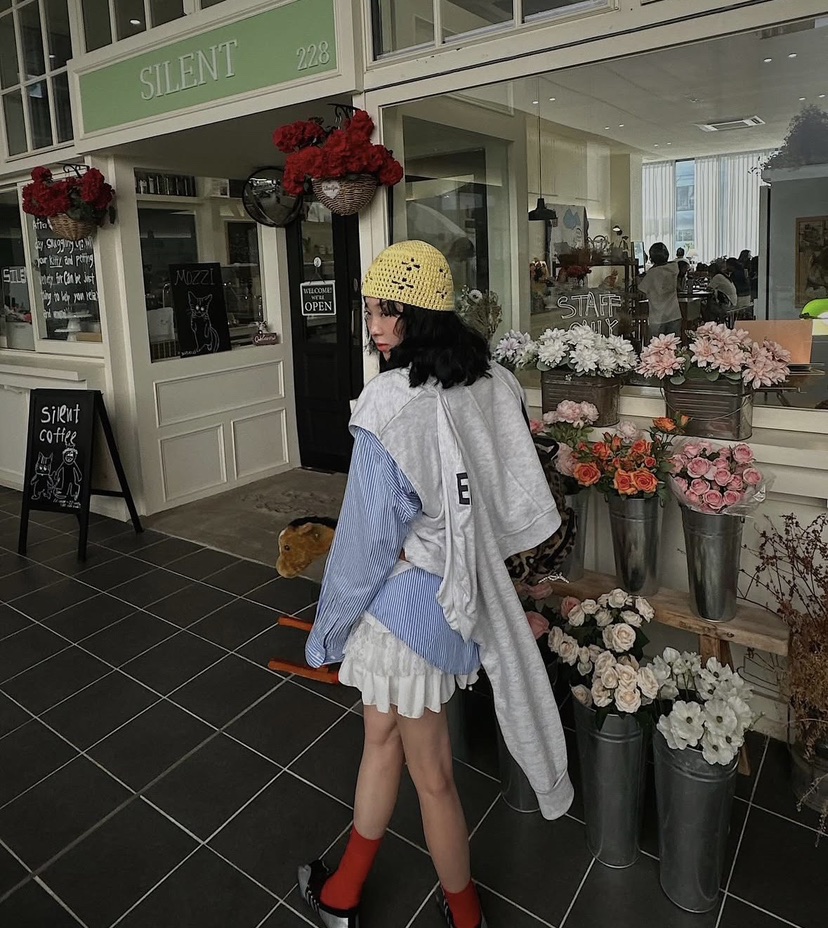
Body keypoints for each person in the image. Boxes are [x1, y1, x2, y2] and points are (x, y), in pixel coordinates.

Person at [297, 240, 573, 928]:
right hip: (455, 601)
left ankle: (462, 914)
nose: (372, 324)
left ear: (419, 314)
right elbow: (512, 484)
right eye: (368, 309)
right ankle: (343, 895)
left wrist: (328, 630)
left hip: (402, 614)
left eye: (384, 310)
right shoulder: (491, 381)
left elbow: (364, 544)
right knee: (386, 744)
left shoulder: (391, 403)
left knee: (433, 775)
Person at [637, 242, 681, 338]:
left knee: (656, 345)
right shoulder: (674, 268)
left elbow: (641, 291)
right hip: (674, 314)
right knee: (673, 344)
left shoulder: (652, 273)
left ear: (651, 257)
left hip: (658, 317)